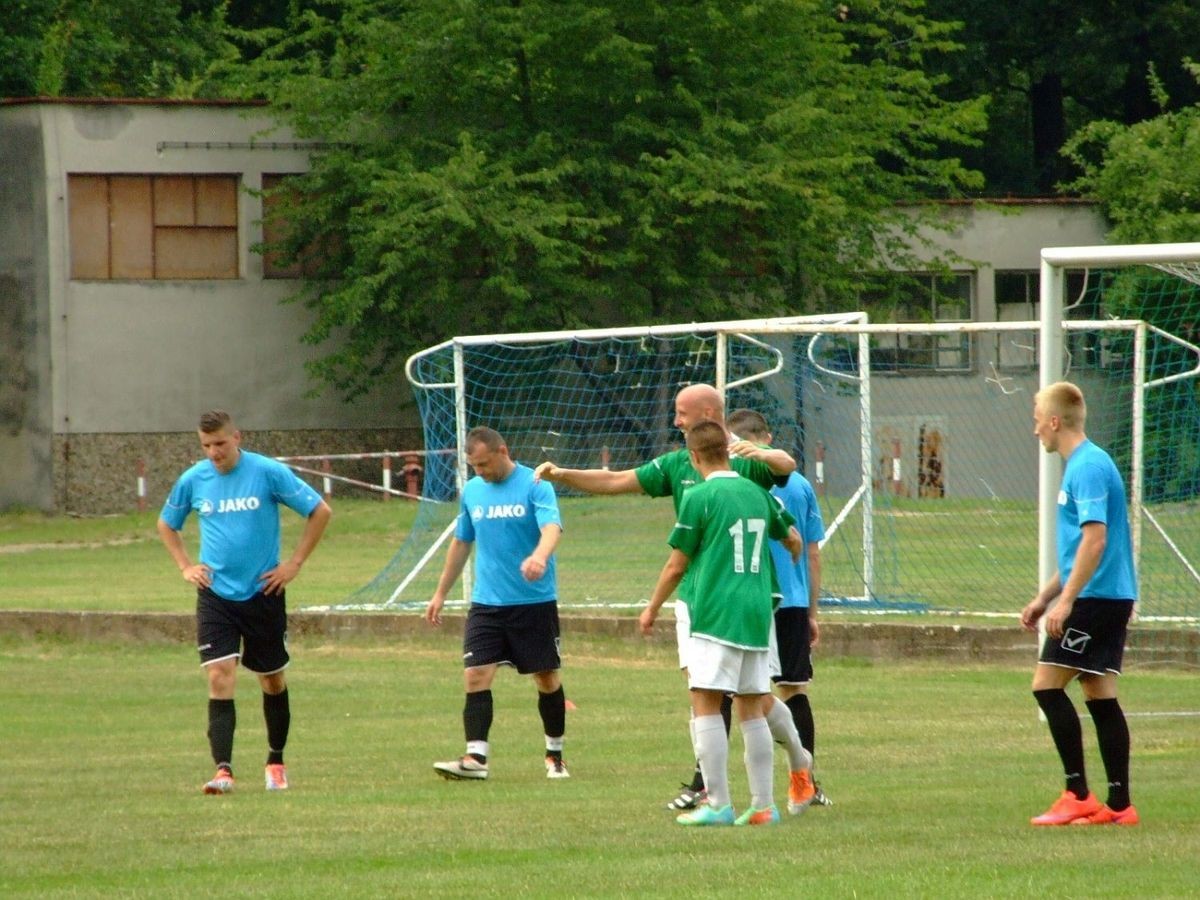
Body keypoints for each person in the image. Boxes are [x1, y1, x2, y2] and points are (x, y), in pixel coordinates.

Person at [535, 383, 814, 813]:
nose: (675, 421)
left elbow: (785, 469)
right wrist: (563, 475)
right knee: (713, 693)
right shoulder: (677, 463)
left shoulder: (739, 464)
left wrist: (650, 606)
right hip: (703, 600)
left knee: (745, 699)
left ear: (705, 413)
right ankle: (732, 793)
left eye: (681, 413)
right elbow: (616, 480)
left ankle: (769, 777)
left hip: (731, 596)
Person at [157, 410, 332, 795]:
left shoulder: (268, 473)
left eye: (220, 443)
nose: (214, 453)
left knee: (271, 679)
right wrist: (186, 566)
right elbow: (167, 524)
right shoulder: (194, 480)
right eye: (206, 446)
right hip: (216, 595)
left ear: (237, 437)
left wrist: (294, 564)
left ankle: (275, 761)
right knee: (220, 674)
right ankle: (223, 771)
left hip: (264, 593)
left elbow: (320, 511)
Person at [640, 421, 796, 826]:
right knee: (751, 705)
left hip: (716, 612)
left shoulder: (700, 495)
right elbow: (789, 533)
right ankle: (763, 805)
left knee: (705, 701)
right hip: (758, 610)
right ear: (730, 452)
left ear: (693, 457)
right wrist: (793, 548)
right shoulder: (757, 493)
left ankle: (718, 804)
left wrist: (651, 607)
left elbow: (677, 564)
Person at [1021, 381, 1139, 826]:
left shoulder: (1087, 467)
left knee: (1046, 686)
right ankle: (1121, 805)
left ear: (1054, 421)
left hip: (1095, 597)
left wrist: (1066, 602)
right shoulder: (1086, 464)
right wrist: (1044, 598)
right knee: (1099, 693)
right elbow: (1077, 552)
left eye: (1036, 422)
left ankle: (1077, 793)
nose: (1035, 432)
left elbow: (1095, 540)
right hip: (1105, 594)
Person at [426, 426, 570, 780]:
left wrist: (539, 556)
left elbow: (553, 527)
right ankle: (476, 758)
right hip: (487, 603)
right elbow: (462, 542)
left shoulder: (536, 483)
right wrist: (441, 592)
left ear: (503, 451)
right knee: (475, 675)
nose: (480, 472)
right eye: (474, 466)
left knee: (546, 678)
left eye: (484, 464)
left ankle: (555, 755)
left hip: (533, 602)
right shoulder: (473, 491)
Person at [727, 408, 831, 807]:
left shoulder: (730, 481)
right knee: (792, 688)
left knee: (738, 691)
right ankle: (805, 781)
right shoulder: (799, 484)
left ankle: (709, 784)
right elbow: (813, 553)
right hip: (791, 600)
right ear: (766, 438)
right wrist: (811, 614)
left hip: (744, 599)